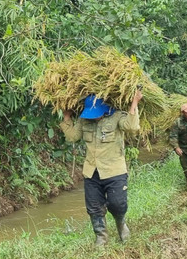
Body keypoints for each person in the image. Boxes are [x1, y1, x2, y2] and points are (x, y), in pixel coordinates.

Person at [60, 91, 142, 247]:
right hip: (92, 171)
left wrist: (134, 102)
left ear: (104, 109)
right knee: (94, 206)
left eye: (96, 114)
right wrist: (67, 117)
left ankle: (121, 225)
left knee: (117, 204)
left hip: (114, 170)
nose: (93, 117)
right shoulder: (84, 121)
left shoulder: (117, 116)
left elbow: (132, 127)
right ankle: (101, 237)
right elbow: (72, 137)